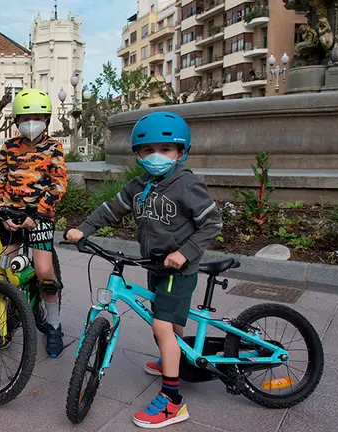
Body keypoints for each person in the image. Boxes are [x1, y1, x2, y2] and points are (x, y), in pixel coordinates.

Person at [66, 111, 222, 428]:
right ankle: (173, 359)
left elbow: (213, 223)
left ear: (180, 153)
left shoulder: (187, 184)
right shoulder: (140, 185)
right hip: (155, 265)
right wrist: (84, 229)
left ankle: (173, 400)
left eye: (165, 150)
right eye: (148, 150)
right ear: (138, 154)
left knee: (162, 326)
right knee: (166, 324)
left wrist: (186, 252)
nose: (156, 157)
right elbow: (111, 208)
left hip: (178, 269)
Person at [0, 88, 68, 357]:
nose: (31, 122)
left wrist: (36, 215)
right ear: (16, 121)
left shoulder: (54, 147)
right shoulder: (8, 147)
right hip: (11, 217)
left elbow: (59, 185)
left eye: (37, 117)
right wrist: (2, 211)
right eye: (26, 117)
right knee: (3, 268)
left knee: (45, 271)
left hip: (40, 218)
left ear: (47, 119)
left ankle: (55, 324)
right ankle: (8, 318)